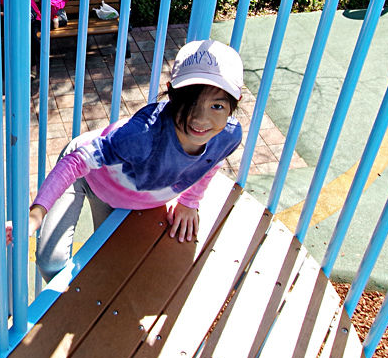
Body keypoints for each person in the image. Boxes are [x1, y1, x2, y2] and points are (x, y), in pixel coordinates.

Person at [20, 39, 246, 280]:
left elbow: (211, 164)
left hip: (124, 193)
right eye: (189, 102)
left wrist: (189, 201)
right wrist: (37, 212)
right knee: (50, 263)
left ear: (235, 104)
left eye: (217, 106)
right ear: (170, 93)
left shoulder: (228, 136)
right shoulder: (142, 136)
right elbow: (76, 162)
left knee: (112, 266)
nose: (200, 118)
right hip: (88, 173)